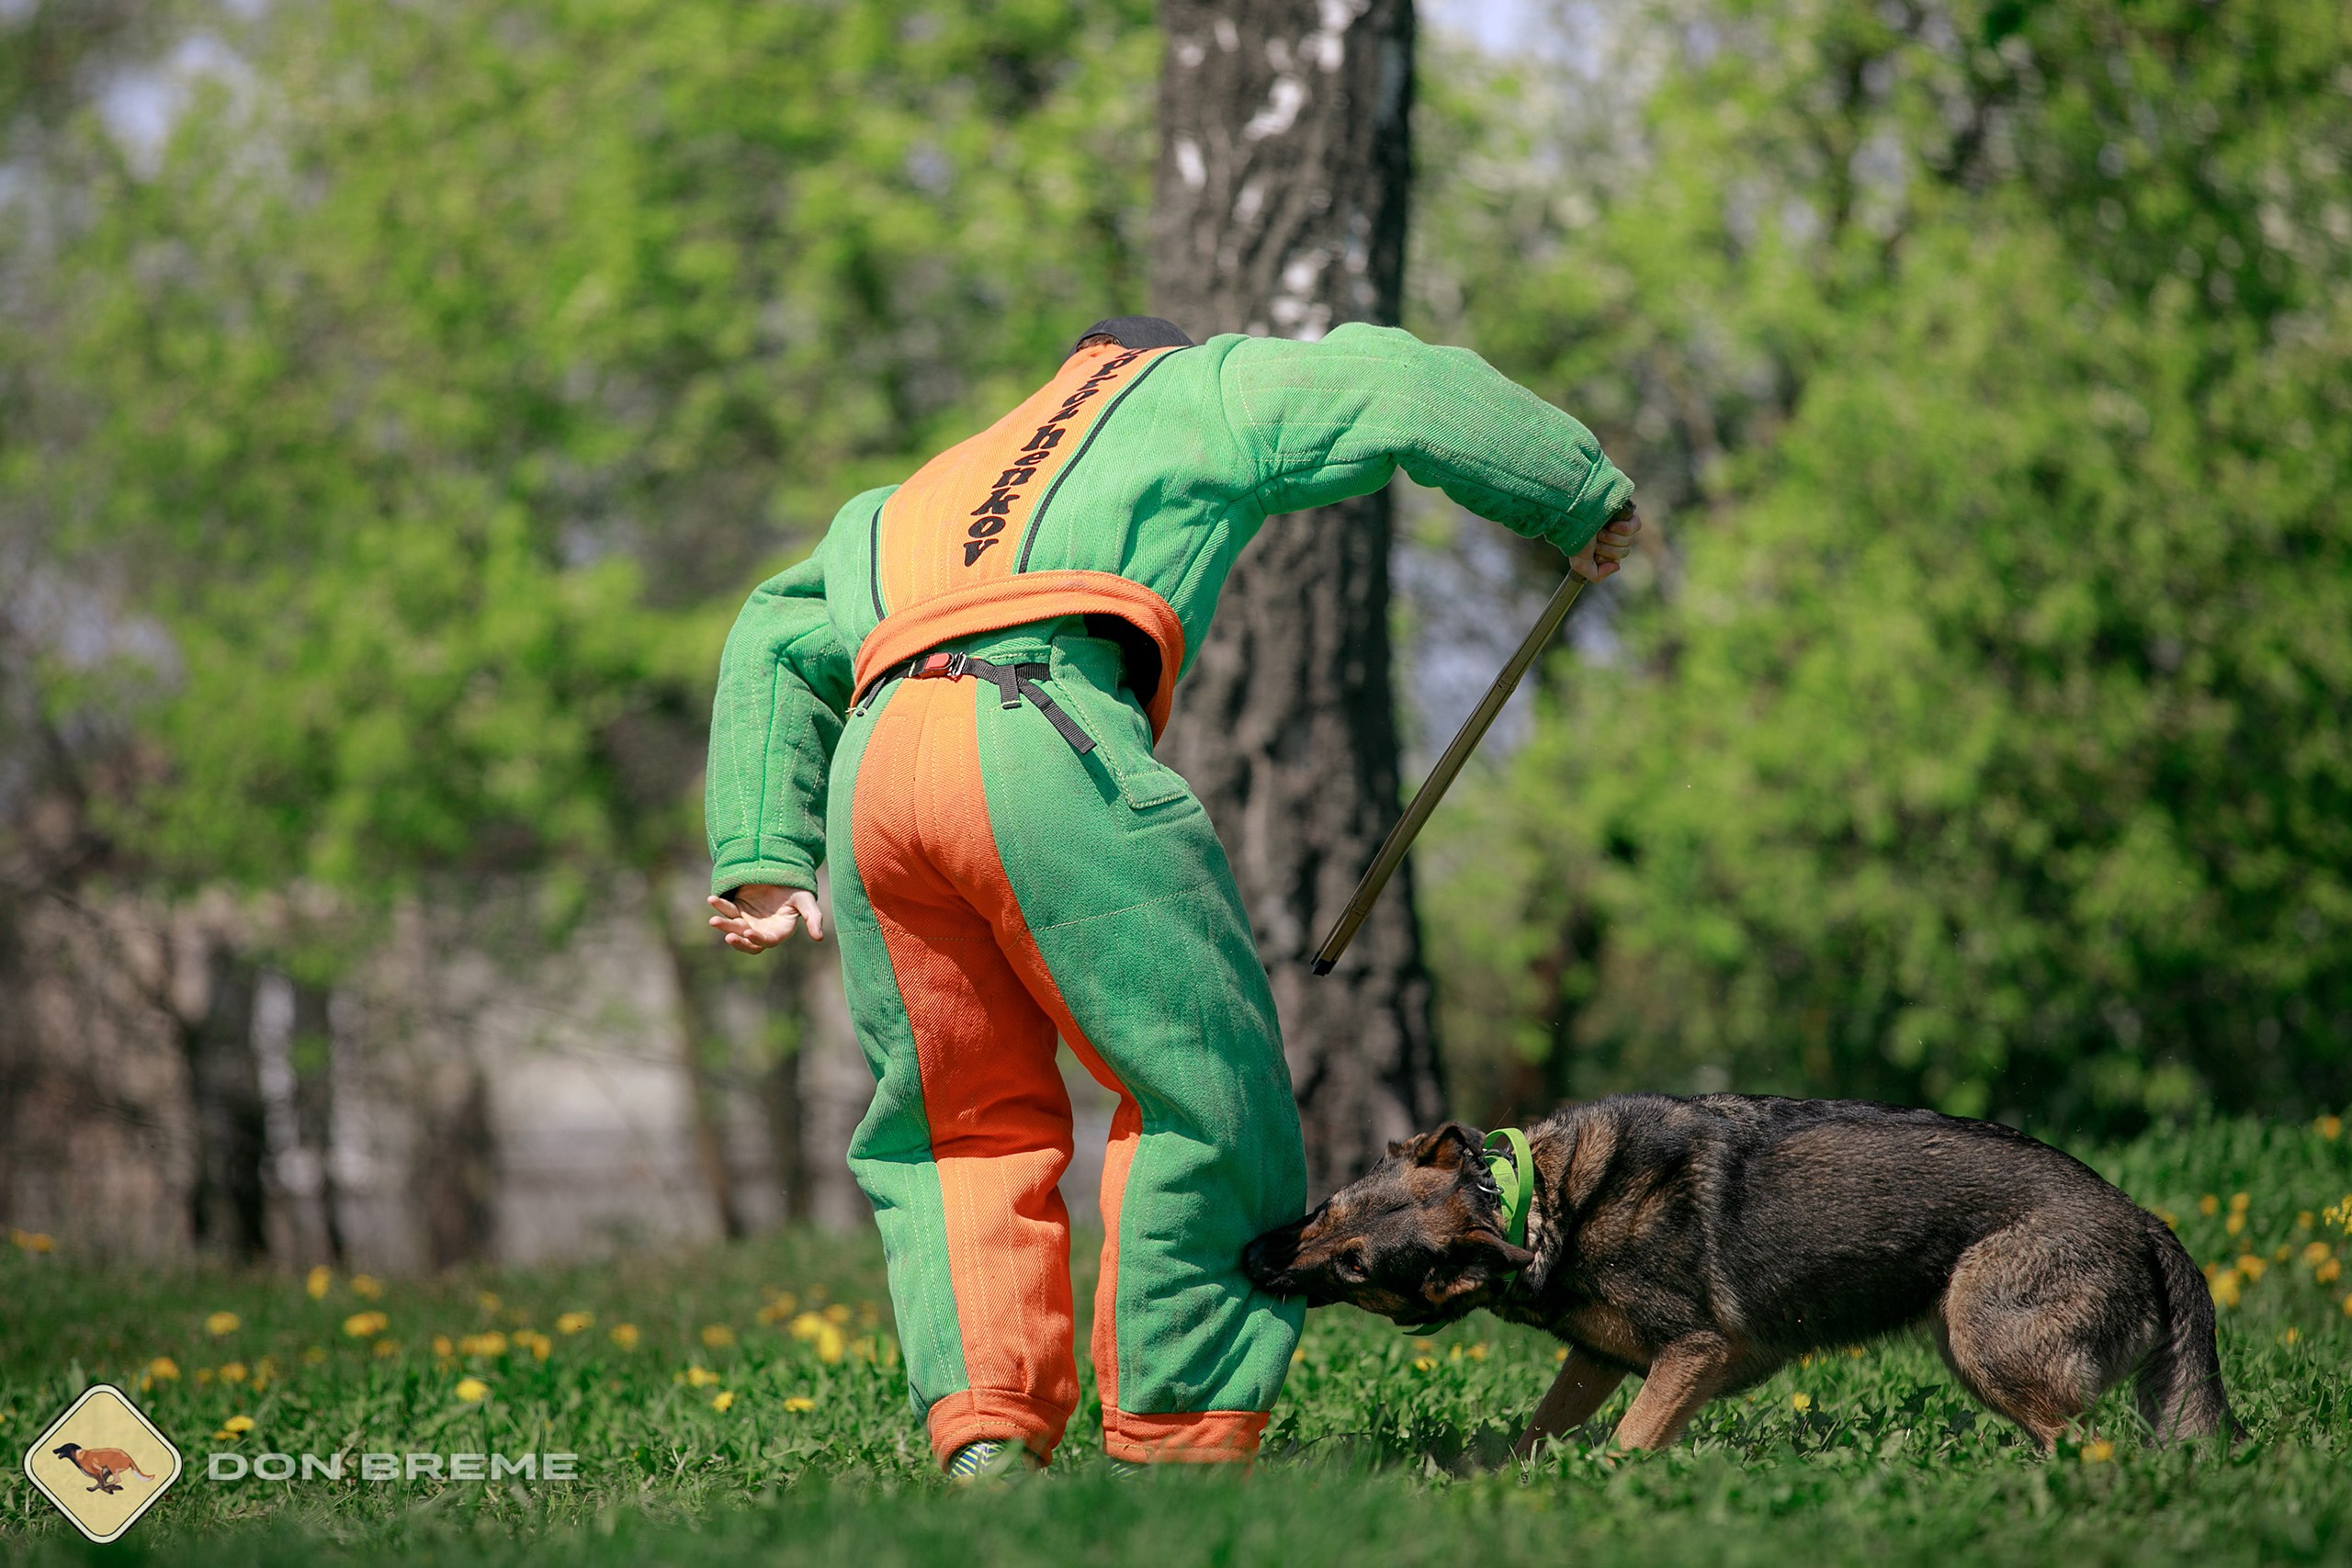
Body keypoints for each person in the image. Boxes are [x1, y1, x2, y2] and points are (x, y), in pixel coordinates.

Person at [703, 315, 1639, 1478]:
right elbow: (1397, 382)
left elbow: (772, 631)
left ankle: (986, 1441)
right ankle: (1178, 1434)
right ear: (1152, 357)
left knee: (952, 1128)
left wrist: (763, 855)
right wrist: (1576, 493)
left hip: (875, 773)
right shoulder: (1196, 386)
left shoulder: (909, 497)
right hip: (1040, 726)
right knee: (1203, 1089)